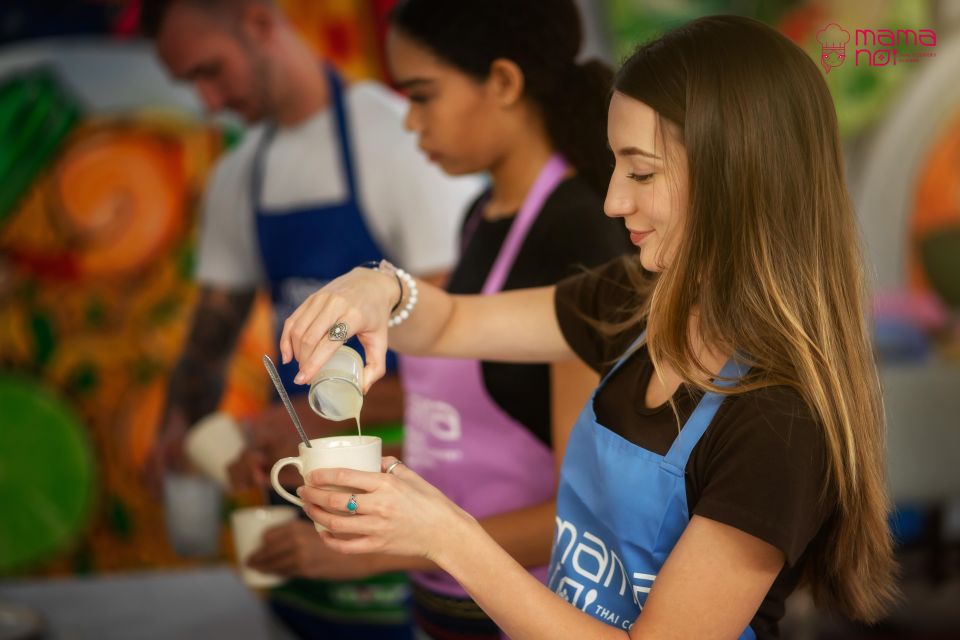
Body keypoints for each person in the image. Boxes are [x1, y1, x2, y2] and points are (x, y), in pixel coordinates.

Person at [280, 15, 899, 639]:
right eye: (614, 167)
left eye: (642, 172)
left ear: (737, 175)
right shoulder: (634, 303)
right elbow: (451, 325)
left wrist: (445, 535)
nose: (612, 202)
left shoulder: (779, 421)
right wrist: (381, 287)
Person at [245, 1, 631, 637]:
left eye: (423, 96)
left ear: (504, 83)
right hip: (441, 609)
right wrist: (310, 438)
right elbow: (468, 418)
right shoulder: (480, 215)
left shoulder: (578, 238)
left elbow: (581, 514)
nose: (412, 124)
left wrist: (373, 549)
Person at [139, 1, 481, 638]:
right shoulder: (238, 176)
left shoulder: (403, 144)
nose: (209, 101)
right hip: (298, 494)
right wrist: (178, 429)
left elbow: (466, 369)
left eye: (212, 71)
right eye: (192, 86)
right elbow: (209, 340)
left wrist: (296, 419)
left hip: (413, 496)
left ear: (260, 23)